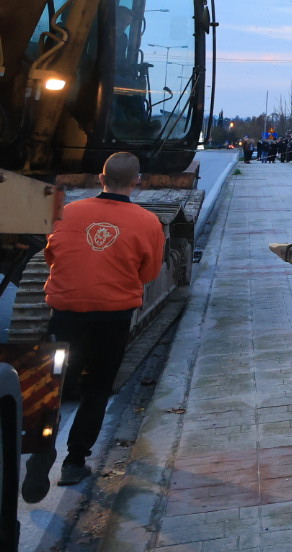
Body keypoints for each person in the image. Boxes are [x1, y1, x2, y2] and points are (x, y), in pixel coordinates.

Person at [23, 152, 165, 500]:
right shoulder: (148, 222)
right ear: (137, 182)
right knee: (97, 388)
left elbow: (52, 257)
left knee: (52, 386)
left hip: (65, 315)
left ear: (100, 179)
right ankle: (74, 462)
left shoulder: (67, 212)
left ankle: (40, 453)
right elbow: (148, 274)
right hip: (112, 319)